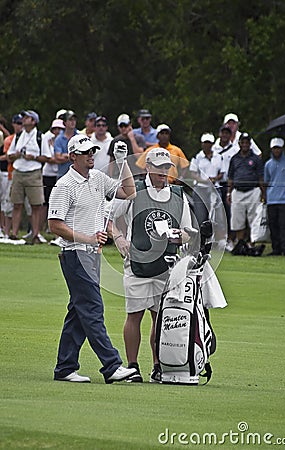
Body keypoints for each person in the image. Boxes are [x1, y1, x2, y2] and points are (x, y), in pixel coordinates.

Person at [48, 134, 137, 384]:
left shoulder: (97, 178)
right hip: (75, 254)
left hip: (91, 256)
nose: (91, 155)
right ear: (72, 156)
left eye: (93, 151)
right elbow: (54, 224)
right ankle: (111, 366)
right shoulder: (64, 185)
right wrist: (87, 238)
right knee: (93, 309)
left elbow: (128, 193)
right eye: (85, 151)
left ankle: (65, 367)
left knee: (78, 312)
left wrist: (123, 162)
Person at [110, 148, 193, 383]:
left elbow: (187, 231)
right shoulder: (133, 189)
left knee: (160, 317)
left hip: (167, 266)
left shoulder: (178, 194)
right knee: (134, 315)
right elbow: (110, 220)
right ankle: (132, 366)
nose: (163, 173)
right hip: (137, 264)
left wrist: (179, 237)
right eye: (158, 169)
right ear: (147, 168)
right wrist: (119, 238)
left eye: (166, 168)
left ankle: (158, 366)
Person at [7, 110, 52, 244]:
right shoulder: (18, 135)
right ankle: (14, 234)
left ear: (33, 121)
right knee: (17, 204)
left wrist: (34, 157)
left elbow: (47, 156)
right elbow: (9, 155)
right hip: (18, 171)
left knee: (36, 205)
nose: (24, 119)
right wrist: (17, 155)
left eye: (27, 118)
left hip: (33, 173)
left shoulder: (40, 137)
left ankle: (35, 235)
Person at [227, 132, 264, 249]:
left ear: (250, 144)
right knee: (238, 219)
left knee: (253, 218)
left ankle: (252, 243)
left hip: (253, 191)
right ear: (239, 143)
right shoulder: (234, 159)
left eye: (247, 142)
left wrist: (264, 193)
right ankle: (240, 243)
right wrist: (229, 192)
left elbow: (260, 177)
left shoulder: (256, 159)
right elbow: (230, 177)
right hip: (237, 191)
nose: (245, 144)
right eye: (243, 142)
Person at [264, 137, 285, 257]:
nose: (276, 151)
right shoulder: (268, 164)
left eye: (278, 148)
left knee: (284, 226)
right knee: (273, 225)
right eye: (274, 148)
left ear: (282, 149)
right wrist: (265, 198)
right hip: (272, 199)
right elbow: (266, 182)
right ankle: (276, 249)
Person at [212, 124, 239, 250]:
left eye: (227, 133)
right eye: (223, 133)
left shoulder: (234, 149)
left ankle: (230, 240)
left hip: (228, 185)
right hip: (216, 185)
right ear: (219, 134)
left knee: (229, 213)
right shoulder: (213, 148)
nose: (225, 135)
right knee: (217, 214)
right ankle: (217, 240)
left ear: (230, 135)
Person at [189, 132, 224, 227]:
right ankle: (202, 239)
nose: (206, 145)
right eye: (205, 143)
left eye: (209, 143)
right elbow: (193, 174)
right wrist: (204, 180)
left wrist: (214, 179)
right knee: (200, 217)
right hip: (200, 189)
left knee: (216, 217)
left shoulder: (219, 157)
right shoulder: (197, 157)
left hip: (215, 189)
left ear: (212, 144)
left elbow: (222, 173)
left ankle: (217, 240)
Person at [40, 118, 65, 240]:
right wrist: (59, 158)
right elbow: (48, 158)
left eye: (60, 128)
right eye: (55, 128)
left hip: (61, 174)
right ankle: (44, 229)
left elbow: (62, 157)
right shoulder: (46, 138)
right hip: (48, 174)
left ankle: (58, 231)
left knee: (58, 203)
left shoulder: (63, 140)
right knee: (46, 202)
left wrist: (59, 158)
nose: (57, 131)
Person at [0, 114, 24, 238]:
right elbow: (9, 157)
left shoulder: (27, 138)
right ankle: (6, 232)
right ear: (14, 124)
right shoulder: (9, 139)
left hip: (22, 174)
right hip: (11, 175)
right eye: (18, 123)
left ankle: (14, 233)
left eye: (22, 123)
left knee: (23, 205)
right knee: (8, 205)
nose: (20, 126)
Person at [108, 113, 145, 179]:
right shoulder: (115, 141)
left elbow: (139, 157)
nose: (123, 128)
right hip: (119, 176)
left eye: (125, 125)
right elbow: (111, 161)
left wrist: (132, 139)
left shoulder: (139, 138)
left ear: (130, 125)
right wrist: (110, 177)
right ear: (118, 127)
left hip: (136, 175)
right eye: (121, 126)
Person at [54, 110, 78, 179]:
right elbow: (57, 158)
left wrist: (65, 155)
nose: (73, 122)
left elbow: (82, 157)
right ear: (64, 122)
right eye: (70, 120)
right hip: (62, 175)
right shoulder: (59, 139)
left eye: (74, 120)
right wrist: (74, 156)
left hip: (77, 175)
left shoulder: (79, 137)